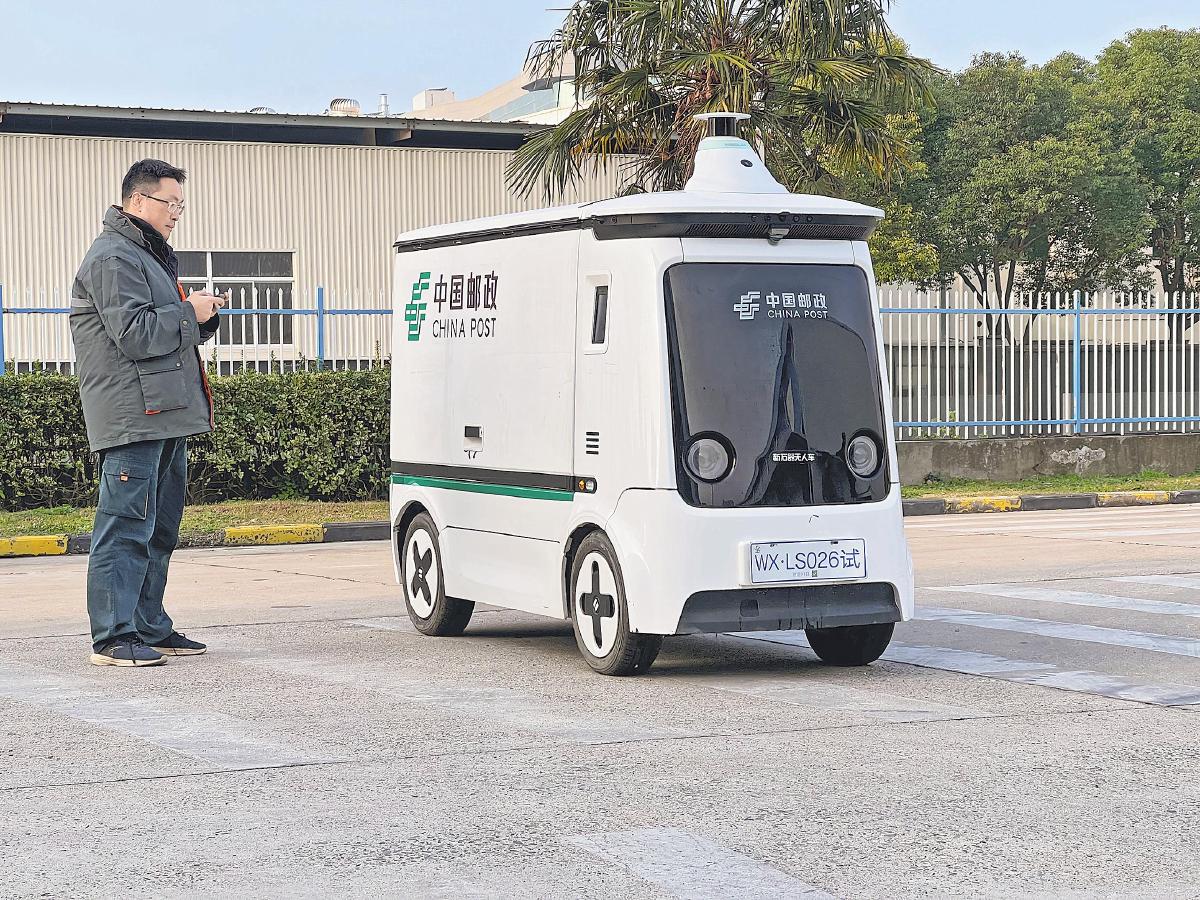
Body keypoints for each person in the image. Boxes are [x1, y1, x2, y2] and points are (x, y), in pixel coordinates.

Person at [70, 159, 225, 667]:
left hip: (165, 412)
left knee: (159, 528)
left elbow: (163, 329)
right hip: (132, 416)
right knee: (125, 526)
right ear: (138, 201)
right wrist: (188, 312)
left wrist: (200, 318)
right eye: (169, 202)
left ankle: (149, 626)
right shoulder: (114, 256)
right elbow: (136, 335)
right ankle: (113, 636)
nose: (176, 212)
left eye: (181, 204)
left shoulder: (147, 255)